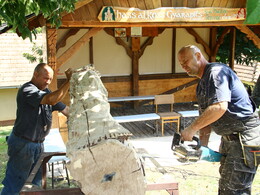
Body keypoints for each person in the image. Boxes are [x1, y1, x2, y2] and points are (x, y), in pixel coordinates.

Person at [177, 45, 260, 194]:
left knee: (233, 190)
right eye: (181, 64)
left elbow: (219, 107)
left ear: (198, 55)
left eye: (186, 61)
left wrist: (191, 129)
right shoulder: (202, 84)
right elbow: (206, 118)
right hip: (230, 140)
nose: (184, 66)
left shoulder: (215, 73)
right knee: (227, 187)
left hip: (244, 138)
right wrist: (202, 147)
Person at [1, 63, 72, 194]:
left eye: (50, 79)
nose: (48, 82)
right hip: (23, 144)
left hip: (38, 145)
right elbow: (51, 100)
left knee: (35, 185)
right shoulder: (27, 89)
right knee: (15, 185)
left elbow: (66, 110)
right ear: (35, 74)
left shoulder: (46, 92)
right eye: (46, 78)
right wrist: (69, 81)